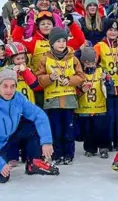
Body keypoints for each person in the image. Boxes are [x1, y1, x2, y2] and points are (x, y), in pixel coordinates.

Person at [36, 27, 85, 164]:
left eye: (64, 41)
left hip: (69, 100)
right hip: (52, 100)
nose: (62, 44)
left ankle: (69, 154)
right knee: (55, 129)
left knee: (69, 129)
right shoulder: (45, 59)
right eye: (58, 41)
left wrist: (70, 80)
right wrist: (50, 77)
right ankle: (57, 155)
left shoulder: (73, 58)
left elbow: (81, 76)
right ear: (52, 43)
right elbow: (38, 78)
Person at [94, 19, 118, 150]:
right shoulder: (100, 46)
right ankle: (107, 142)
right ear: (105, 31)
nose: (113, 32)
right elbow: (94, 64)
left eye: (115, 30)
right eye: (110, 30)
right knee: (108, 116)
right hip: (107, 87)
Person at [76, 47, 111, 158]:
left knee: (101, 129)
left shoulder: (101, 71)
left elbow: (110, 87)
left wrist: (107, 80)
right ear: (83, 62)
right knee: (88, 130)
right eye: (87, 63)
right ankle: (90, 148)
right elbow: (75, 90)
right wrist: (81, 89)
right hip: (85, 108)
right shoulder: (80, 74)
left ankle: (104, 147)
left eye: (92, 62)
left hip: (100, 107)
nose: (90, 65)